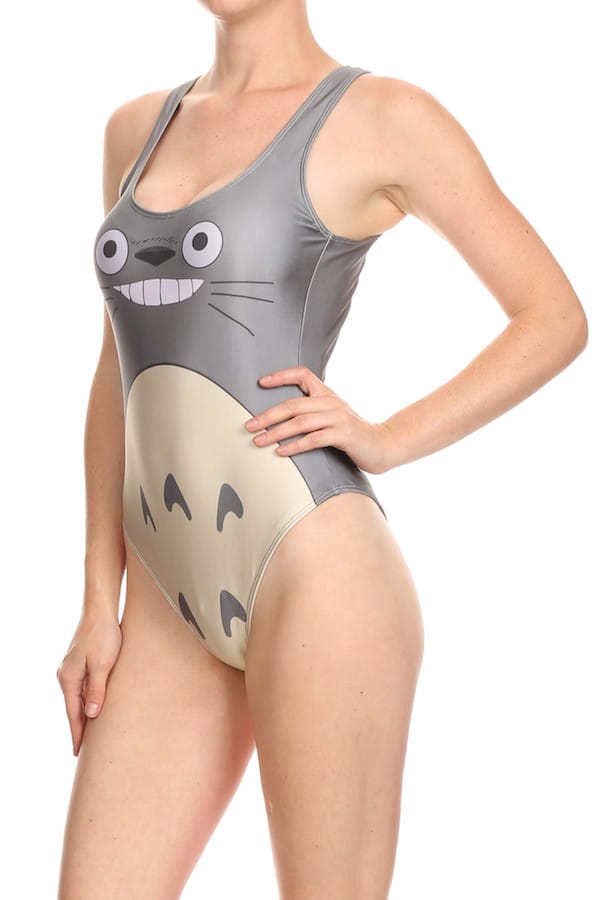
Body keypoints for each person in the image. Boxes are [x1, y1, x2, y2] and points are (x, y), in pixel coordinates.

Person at [55, 0, 588, 897]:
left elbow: (554, 317)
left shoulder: (382, 117)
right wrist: (96, 600)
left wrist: (387, 438)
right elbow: (117, 372)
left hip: (316, 574)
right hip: (163, 600)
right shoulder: (134, 130)